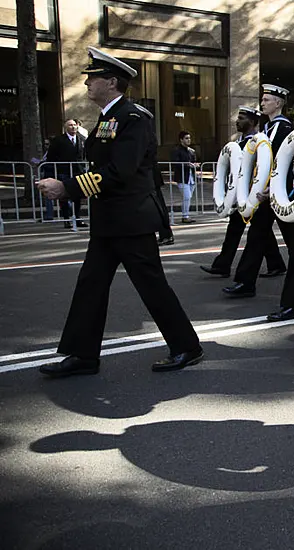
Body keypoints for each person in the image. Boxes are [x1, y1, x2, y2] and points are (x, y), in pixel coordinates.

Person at [35, 47, 202, 378]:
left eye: (93, 78)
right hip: (109, 220)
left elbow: (119, 172)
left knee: (151, 285)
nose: (87, 84)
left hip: (131, 220)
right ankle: (83, 355)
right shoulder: (108, 119)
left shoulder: (133, 119)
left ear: (111, 82)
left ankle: (186, 346)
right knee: (90, 285)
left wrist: (67, 188)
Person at [226, 84, 294, 323]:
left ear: (278, 103)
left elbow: (282, 161)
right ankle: (246, 281)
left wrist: (273, 188)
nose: (263, 103)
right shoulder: (268, 127)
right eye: (263, 99)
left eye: (267, 100)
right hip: (268, 191)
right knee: (260, 235)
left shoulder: (284, 128)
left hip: (278, 192)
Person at [200, 106, 286, 278]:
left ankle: (273, 265)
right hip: (239, 195)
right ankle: (225, 264)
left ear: (253, 122)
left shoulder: (258, 143)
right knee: (242, 229)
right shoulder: (238, 144)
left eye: (242, 118)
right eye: (238, 118)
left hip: (252, 194)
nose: (237, 121)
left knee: (259, 231)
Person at [132, 102, 174, 247]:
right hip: (148, 175)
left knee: (158, 207)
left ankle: (166, 235)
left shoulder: (146, 134)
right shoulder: (145, 133)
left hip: (150, 176)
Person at [44, 119, 87, 229]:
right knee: (64, 196)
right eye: (70, 125)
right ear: (65, 127)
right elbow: (51, 156)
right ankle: (66, 219)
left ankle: (77, 218)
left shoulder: (81, 139)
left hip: (78, 171)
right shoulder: (58, 140)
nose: (73, 127)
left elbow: (84, 154)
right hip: (64, 171)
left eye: (74, 125)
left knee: (77, 195)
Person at [170, 130, 198, 224]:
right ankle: (185, 216)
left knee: (188, 197)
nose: (188, 140)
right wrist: (187, 165)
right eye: (186, 138)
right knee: (187, 196)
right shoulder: (177, 150)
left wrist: (195, 165)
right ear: (181, 140)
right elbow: (175, 163)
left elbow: (193, 162)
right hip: (182, 177)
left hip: (191, 177)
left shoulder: (192, 151)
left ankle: (185, 215)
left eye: (189, 138)